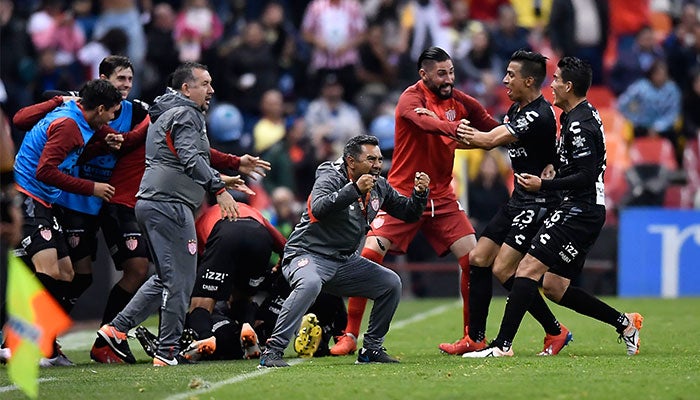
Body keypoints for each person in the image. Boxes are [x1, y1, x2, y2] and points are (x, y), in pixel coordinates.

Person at [463, 57, 644, 358]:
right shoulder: (575, 116)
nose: (553, 85)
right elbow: (581, 165)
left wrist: (544, 185)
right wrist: (554, 167)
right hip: (581, 208)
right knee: (556, 287)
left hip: (580, 210)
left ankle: (502, 345)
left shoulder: (579, 124)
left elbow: (586, 175)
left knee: (527, 268)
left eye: (557, 80)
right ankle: (625, 324)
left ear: (569, 86)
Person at [96, 62, 270, 367]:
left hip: (154, 202)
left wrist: (228, 167)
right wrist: (219, 188)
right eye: (205, 83)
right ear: (186, 89)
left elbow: (189, 154)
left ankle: (117, 328)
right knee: (181, 280)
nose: (212, 90)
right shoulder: (186, 113)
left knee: (165, 277)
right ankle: (167, 350)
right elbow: (191, 158)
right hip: (170, 204)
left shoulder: (168, 111)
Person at [330, 46, 500, 356]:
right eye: (441, 74)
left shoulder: (461, 101)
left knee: (473, 261)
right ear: (424, 75)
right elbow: (423, 124)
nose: (448, 79)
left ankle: (471, 337)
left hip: (443, 197)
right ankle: (350, 333)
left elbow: (490, 124)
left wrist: (517, 133)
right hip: (401, 194)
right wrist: (454, 129)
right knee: (368, 256)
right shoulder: (410, 99)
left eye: (451, 72)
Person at [258, 134, 431, 368]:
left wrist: (420, 194)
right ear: (351, 161)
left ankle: (371, 348)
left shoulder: (379, 185)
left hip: (343, 262)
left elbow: (408, 213)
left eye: (379, 159)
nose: (378, 165)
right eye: (371, 159)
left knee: (390, 283)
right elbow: (317, 208)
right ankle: (272, 351)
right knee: (309, 284)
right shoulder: (330, 175)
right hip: (307, 254)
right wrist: (353, 190)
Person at [441, 50, 570, 356]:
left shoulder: (538, 115)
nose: (504, 80)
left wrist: (438, 132)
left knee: (502, 269)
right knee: (478, 259)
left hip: (539, 202)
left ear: (528, 80)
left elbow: (486, 141)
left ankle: (553, 331)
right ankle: (475, 338)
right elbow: (486, 135)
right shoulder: (515, 109)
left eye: (511, 75)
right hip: (518, 200)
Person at [12, 79, 123, 366]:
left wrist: (104, 139)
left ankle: (42, 344)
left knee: (66, 273)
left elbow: (24, 121)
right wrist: (92, 187)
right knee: (48, 271)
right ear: (100, 109)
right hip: (28, 195)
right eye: (112, 113)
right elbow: (46, 171)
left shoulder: (76, 111)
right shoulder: (69, 126)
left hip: (44, 200)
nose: (113, 120)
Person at [182, 201, 287, 361]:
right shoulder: (252, 211)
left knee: (200, 303)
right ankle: (247, 326)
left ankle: (206, 337)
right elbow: (284, 246)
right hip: (260, 236)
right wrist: (281, 261)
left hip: (225, 234)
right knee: (243, 297)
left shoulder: (200, 221)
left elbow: (196, 261)